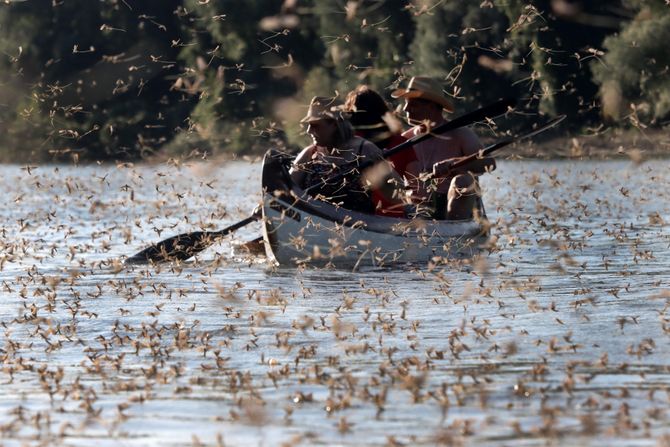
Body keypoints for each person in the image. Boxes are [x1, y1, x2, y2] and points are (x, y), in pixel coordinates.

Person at [391, 76, 496, 220]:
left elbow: (489, 163)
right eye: (405, 103)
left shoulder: (461, 134)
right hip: (421, 209)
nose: (405, 109)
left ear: (432, 106)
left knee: (463, 181)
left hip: (459, 206)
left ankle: (454, 232)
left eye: (412, 104)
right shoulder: (405, 139)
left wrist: (453, 164)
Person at [289, 96, 404, 214]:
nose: (308, 131)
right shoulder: (309, 154)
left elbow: (396, 195)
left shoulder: (364, 150)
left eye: (315, 125)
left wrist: (383, 170)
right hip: (315, 225)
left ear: (334, 124)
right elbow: (286, 192)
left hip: (357, 226)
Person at [342, 85, 415, 217]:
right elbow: (416, 187)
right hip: (396, 219)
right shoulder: (403, 143)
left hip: (356, 218)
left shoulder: (350, 145)